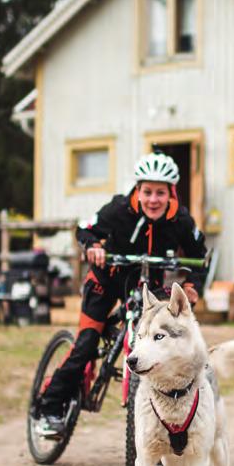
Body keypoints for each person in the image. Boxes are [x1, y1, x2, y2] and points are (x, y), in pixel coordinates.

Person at [37, 152, 207, 435]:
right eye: (147, 191)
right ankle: (50, 408)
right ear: (137, 190)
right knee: (87, 344)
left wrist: (191, 286)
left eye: (160, 193)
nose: (153, 199)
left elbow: (199, 257)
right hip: (105, 282)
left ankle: (162, 430)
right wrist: (94, 246)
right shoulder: (118, 210)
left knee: (160, 347)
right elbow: (85, 229)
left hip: (147, 287)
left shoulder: (181, 220)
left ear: (171, 193)